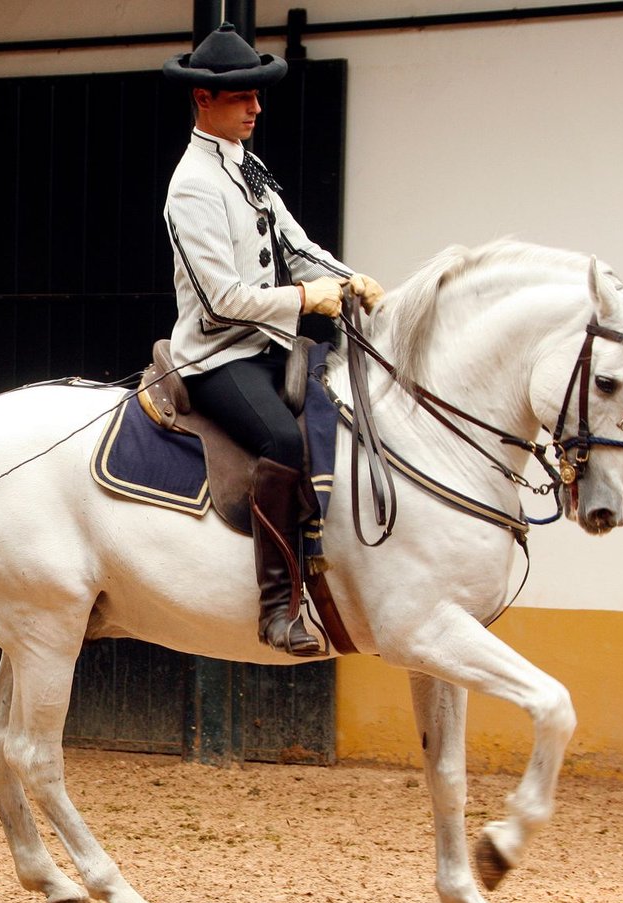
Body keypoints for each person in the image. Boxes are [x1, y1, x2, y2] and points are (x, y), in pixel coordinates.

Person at [161, 24, 384, 656]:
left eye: (258, 95)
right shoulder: (191, 186)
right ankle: (277, 606)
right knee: (284, 439)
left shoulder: (246, 164)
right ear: (204, 99)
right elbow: (222, 300)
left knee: (337, 411)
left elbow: (296, 246)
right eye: (242, 97)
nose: (257, 106)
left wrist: (350, 281)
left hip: (266, 345)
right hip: (216, 355)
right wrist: (305, 300)